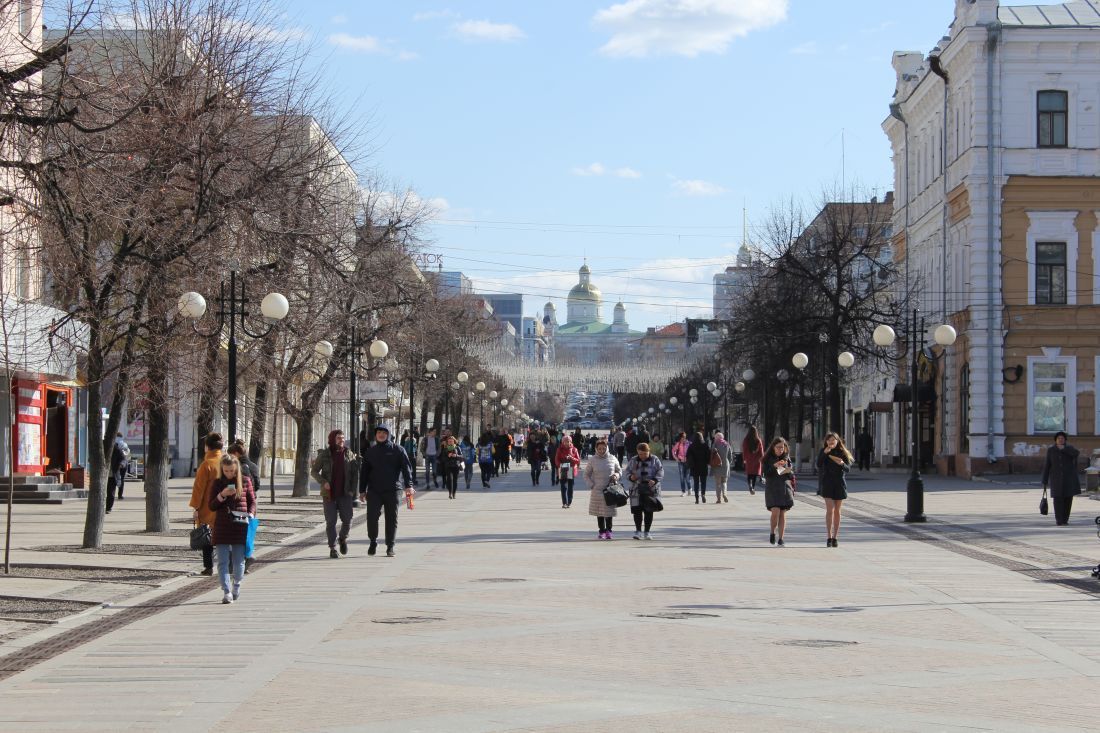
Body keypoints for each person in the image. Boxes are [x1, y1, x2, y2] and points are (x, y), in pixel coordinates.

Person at [207, 454, 256, 603]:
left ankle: (237, 585)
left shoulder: (245, 481)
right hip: (222, 526)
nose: (229, 474)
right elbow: (211, 506)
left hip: (240, 526)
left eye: (232, 471)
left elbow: (252, 502)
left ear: (237, 469)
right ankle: (226, 591)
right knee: (222, 562)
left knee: (238, 561)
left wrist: (251, 514)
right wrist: (222, 495)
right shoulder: (217, 483)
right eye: (226, 471)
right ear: (222, 469)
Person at [360, 425, 414, 557]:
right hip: (374, 490)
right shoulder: (370, 452)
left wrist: (409, 485)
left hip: (393, 490)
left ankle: (390, 546)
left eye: (384, 432)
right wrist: (362, 490)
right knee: (372, 517)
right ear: (376, 435)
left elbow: (406, 468)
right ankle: (373, 541)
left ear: (388, 434)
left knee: (391, 518)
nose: (381, 434)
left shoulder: (398, 450)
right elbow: (364, 472)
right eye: (379, 432)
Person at [310, 429, 361, 559]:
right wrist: (323, 482)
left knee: (348, 520)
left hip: (345, 493)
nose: (341, 440)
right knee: (331, 522)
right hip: (329, 494)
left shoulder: (349, 453)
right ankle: (332, 548)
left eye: (343, 438)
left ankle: (342, 538)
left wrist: (352, 490)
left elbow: (355, 474)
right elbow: (314, 471)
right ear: (333, 439)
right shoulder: (325, 454)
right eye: (339, 438)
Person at [189, 432, 224, 575]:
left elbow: (199, 489)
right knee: (223, 536)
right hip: (224, 505)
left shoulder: (206, 465)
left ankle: (208, 567)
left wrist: (196, 507)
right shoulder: (227, 461)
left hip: (207, 507)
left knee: (207, 536)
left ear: (207, 447)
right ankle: (227, 565)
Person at [227, 440, 261, 573]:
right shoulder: (254, 466)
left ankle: (239, 562)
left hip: (238, 506)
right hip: (251, 505)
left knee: (234, 536)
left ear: (236, 453)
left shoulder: (237, 468)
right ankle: (245, 558)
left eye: (230, 454)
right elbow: (257, 485)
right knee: (247, 534)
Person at [816, 432, 852, 547]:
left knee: (837, 511)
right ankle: (829, 536)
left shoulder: (842, 452)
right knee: (830, 510)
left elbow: (848, 469)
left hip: (839, 483)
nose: (831, 442)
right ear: (826, 441)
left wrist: (842, 464)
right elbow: (818, 465)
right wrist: (824, 454)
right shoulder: (824, 451)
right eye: (829, 440)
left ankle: (835, 537)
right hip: (827, 483)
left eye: (833, 440)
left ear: (837, 441)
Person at [1041, 431, 1082, 526]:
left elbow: (1076, 453)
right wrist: (1044, 479)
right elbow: (1047, 465)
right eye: (1058, 438)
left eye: (1062, 438)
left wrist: (1064, 449)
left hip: (1069, 479)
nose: (1060, 440)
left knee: (1068, 499)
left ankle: (1065, 520)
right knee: (1057, 499)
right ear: (1055, 440)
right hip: (1056, 479)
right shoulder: (1051, 450)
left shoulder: (1069, 448)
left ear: (1065, 440)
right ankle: (1059, 520)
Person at [584, 438, 622, 539]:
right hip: (597, 490)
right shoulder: (593, 460)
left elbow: (619, 471)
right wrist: (591, 484)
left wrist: (616, 476)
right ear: (596, 449)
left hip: (610, 489)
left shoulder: (612, 458)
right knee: (599, 512)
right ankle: (601, 531)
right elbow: (586, 474)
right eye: (599, 448)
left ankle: (609, 531)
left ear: (607, 448)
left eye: (603, 448)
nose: (601, 450)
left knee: (609, 512)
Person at [625, 442, 663, 540]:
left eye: (644, 454)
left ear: (648, 451)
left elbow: (660, 471)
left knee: (649, 510)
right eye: (640, 454)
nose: (642, 456)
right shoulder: (633, 460)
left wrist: (654, 480)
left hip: (651, 489)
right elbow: (627, 471)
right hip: (636, 489)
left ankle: (647, 532)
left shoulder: (655, 459)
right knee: (637, 511)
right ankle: (638, 531)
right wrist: (630, 477)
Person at [763, 437, 795, 546]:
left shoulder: (786, 458)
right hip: (772, 488)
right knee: (775, 512)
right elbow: (766, 473)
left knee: (782, 513)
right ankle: (772, 532)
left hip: (784, 488)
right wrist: (774, 466)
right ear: (773, 447)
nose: (780, 449)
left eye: (782, 447)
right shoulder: (768, 458)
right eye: (778, 447)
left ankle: (781, 539)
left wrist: (788, 471)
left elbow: (791, 475)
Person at [105, 432, 130, 512]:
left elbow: (123, 458)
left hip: (112, 474)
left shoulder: (116, 449)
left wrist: (121, 464)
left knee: (110, 492)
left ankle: (108, 507)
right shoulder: (102, 447)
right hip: (101, 475)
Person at [556, 434, 581, 508]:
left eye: (568, 441)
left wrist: (571, 458)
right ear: (562, 442)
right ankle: (564, 502)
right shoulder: (559, 449)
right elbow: (556, 459)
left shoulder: (574, 449)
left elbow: (578, 460)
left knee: (570, 486)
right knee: (563, 486)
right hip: (562, 468)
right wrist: (560, 464)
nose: (567, 443)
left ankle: (569, 501)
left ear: (571, 441)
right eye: (565, 441)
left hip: (570, 469)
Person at [686, 431, 711, 504]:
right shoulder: (705, 445)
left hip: (694, 466)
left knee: (696, 482)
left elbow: (687, 455)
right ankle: (703, 494)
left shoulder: (691, 446)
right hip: (703, 466)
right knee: (703, 482)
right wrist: (707, 462)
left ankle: (696, 498)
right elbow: (708, 455)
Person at [710, 432, 734, 504]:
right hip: (725, 465)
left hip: (717, 465)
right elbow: (730, 457)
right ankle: (724, 494)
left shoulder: (715, 444)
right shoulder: (727, 444)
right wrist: (728, 463)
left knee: (718, 483)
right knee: (724, 482)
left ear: (716, 438)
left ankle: (719, 499)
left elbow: (712, 455)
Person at [742, 426, 764, 495]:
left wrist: (744, 459)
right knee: (754, 475)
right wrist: (762, 458)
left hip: (749, 460)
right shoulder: (758, 440)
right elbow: (761, 451)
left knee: (749, 474)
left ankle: (750, 486)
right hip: (757, 460)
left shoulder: (746, 440)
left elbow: (744, 450)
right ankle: (753, 487)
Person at [439, 434, 463, 499]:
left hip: (456, 466)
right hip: (448, 466)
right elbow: (442, 458)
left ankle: (454, 493)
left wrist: (456, 456)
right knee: (449, 479)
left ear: (454, 441)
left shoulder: (457, 448)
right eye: (449, 441)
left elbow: (462, 456)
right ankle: (450, 493)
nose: (450, 442)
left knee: (455, 480)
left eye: (451, 441)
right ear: (447, 442)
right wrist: (448, 456)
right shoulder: (445, 448)